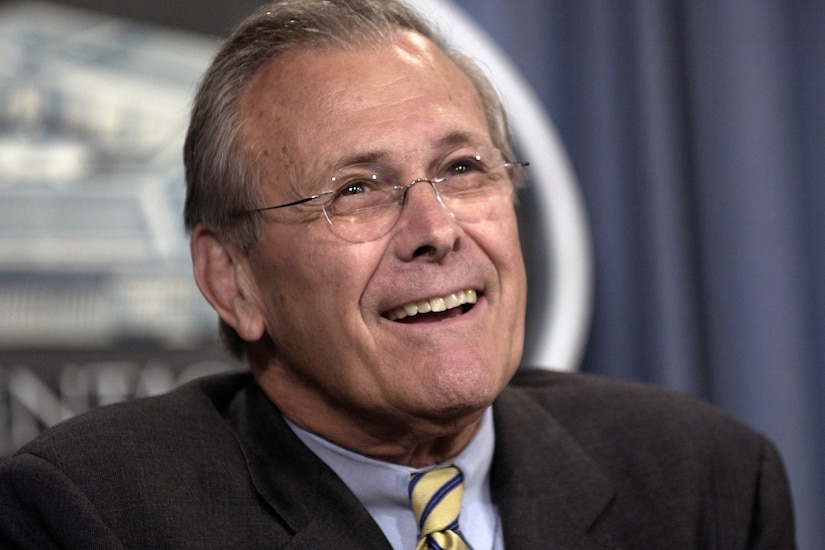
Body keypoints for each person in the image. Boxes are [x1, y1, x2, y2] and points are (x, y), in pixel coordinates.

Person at [0, 0, 795, 548]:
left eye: (461, 168)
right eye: (354, 190)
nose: (435, 231)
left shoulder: (702, 482)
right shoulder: (92, 515)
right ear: (232, 278)